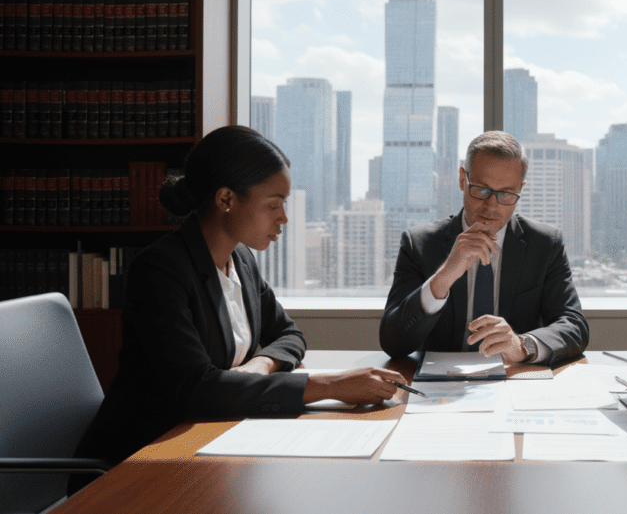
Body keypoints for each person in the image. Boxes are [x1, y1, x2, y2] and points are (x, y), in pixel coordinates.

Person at [74, 126, 407, 478]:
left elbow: (290, 335)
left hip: (209, 444)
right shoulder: (160, 270)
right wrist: (331, 386)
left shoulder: (242, 260)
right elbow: (198, 389)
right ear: (226, 199)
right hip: (140, 461)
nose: (284, 218)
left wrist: (260, 364)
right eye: (273, 204)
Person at [380, 131, 588, 366]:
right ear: (462, 179)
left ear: (521, 189)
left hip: (516, 382)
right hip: (439, 389)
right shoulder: (418, 243)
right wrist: (445, 275)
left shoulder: (545, 244)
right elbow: (392, 343)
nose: (491, 206)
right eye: (481, 190)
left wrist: (522, 346)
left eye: (506, 194)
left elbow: (574, 325)